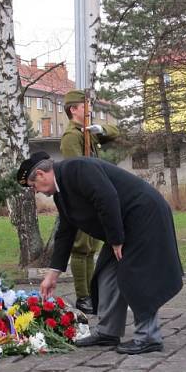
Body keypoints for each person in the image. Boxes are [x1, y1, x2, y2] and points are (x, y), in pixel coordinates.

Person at [17, 152, 183, 355]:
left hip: (144, 217)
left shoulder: (77, 168)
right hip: (124, 225)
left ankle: (149, 337)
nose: (36, 192)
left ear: (41, 174)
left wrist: (115, 240)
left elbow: (107, 197)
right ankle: (108, 331)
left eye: (33, 187)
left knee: (134, 274)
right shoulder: (63, 190)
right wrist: (53, 273)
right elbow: (66, 231)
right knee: (106, 272)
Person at [59, 89, 120, 314]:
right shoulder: (71, 136)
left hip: (94, 198)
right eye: (85, 106)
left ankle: (92, 294)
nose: (89, 110)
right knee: (80, 248)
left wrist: (100, 129)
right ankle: (83, 297)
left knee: (91, 248)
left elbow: (115, 132)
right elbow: (77, 171)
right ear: (73, 109)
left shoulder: (86, 132)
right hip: (82, 200)